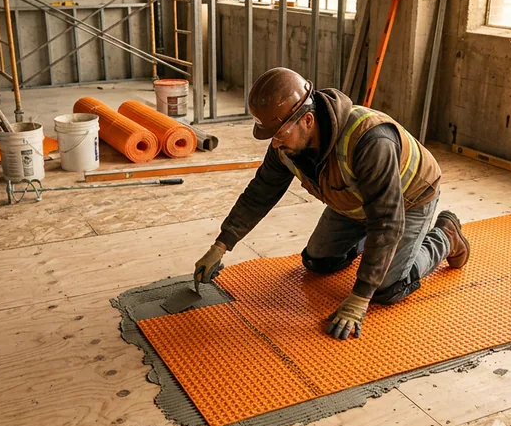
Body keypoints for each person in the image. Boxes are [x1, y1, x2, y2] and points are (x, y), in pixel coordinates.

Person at [194, 67, 470, 340]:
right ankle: (379, 251)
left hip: (409, 200)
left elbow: (386, 220)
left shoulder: (370, 140)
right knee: (318, 262)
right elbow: (260, 193)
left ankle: (445, 236)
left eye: (278, 134)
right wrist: (220, 245)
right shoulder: (286, 144)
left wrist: (361, 297)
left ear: (308, 120)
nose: (275, 144)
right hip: (356, 204)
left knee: (387, 289)